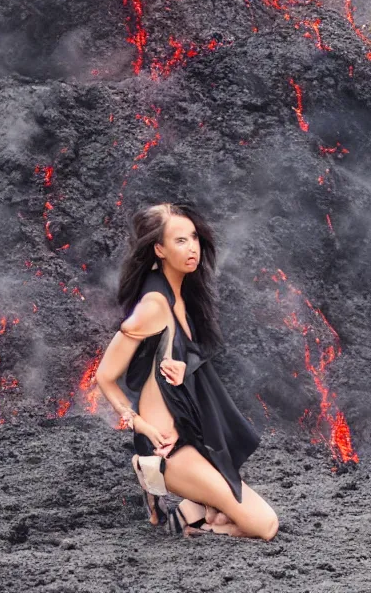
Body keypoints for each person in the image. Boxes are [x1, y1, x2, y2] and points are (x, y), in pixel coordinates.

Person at [95, 203, 278, 539]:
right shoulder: (153, 306)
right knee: (265, 526)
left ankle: (194, 512)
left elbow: (187, 356)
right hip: (168, 451)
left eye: (193, 237)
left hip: (190, 437)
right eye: (180, 241)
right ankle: (162, 481)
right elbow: (104, 376)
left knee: (229, 506)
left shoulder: (182, 297)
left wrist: (187, 365)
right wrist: (141, 427)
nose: (192, 247)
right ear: (159, 249)